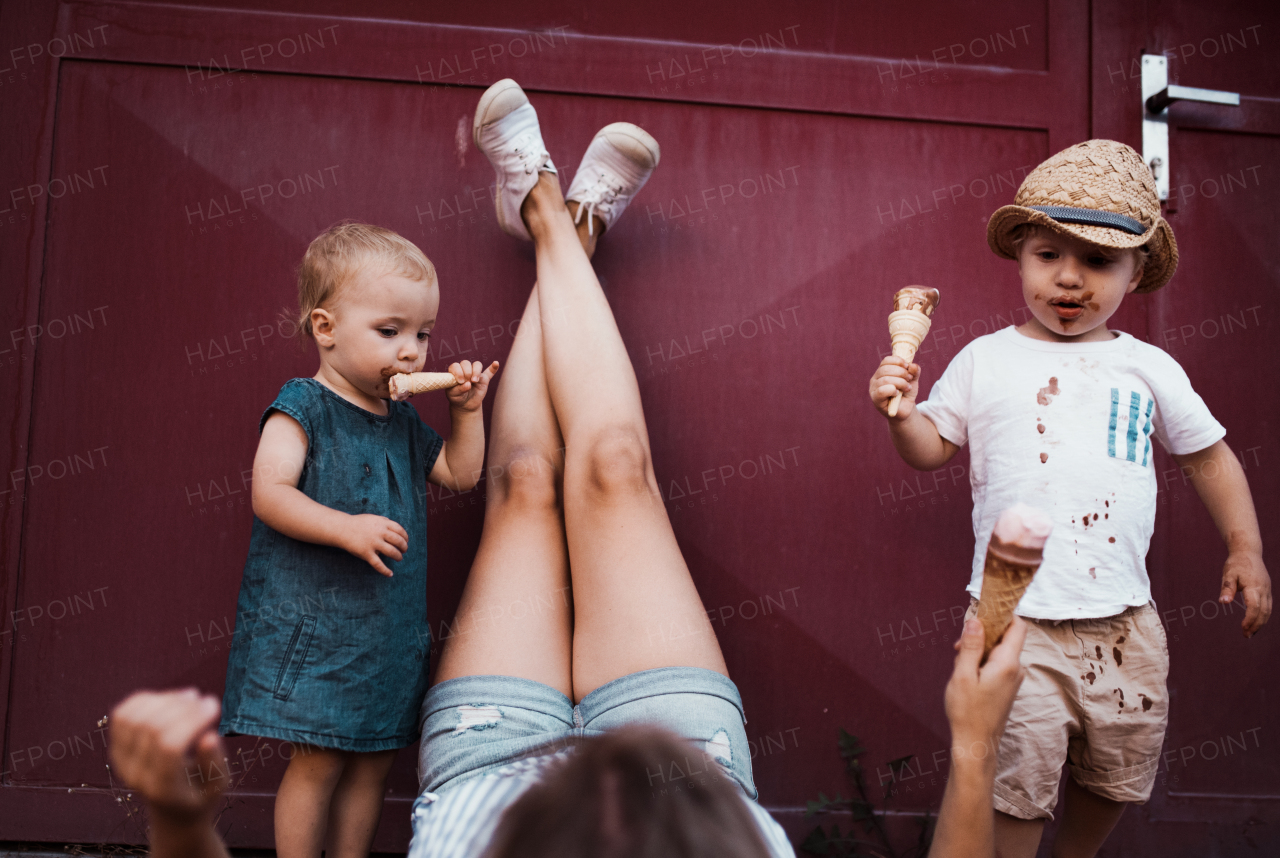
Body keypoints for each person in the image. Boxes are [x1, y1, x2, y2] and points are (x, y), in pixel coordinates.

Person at [108, 79, 1030, 858]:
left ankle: (551, 215)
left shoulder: (306, 404)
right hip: (686, 766)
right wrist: (975, 750)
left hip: (494, 762)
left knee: (522, 491)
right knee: (617, 466)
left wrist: (182, 820)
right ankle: (563, 229)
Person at [868, 139, 1272, 857]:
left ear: (1136, 271)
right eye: (1049, 254)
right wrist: (902, 415)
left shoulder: (1146, 367)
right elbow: (932, 451)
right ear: (1020, 252)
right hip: (1012, 615)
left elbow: (1207, 455)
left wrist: (1246, 549)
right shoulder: (985, 359)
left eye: (1097, 262)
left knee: (1117, 769)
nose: (1069, 279)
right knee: (1016, 778)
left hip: (1125, 620)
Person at [218, 222, 500, 856]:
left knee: (372, 764)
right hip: (318, 631)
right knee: (319, 760)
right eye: (389, 331)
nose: (411, 352)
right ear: (326, 329)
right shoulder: (303, 405)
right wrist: (344, 527)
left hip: (386, 634)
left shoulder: (402, 420)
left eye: (422, 334)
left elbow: (460, 474)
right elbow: (271, 494)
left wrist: (466, 412)